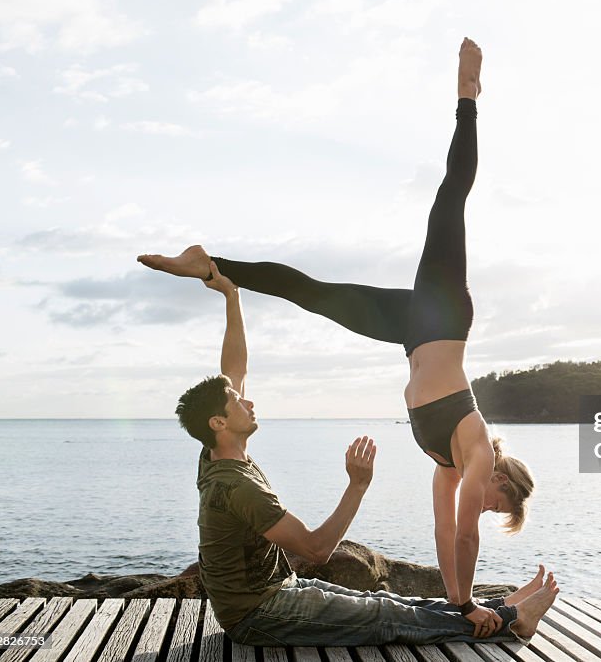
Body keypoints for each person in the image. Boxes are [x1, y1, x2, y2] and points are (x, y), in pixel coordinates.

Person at [140, 37, 534, 634]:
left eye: (491, 509)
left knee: (315, 295)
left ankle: (212, 265)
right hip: (444, 315)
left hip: (411, 332)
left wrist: (462, 603)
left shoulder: (444, 457)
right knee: (448, 202)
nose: (485, 505)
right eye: (497, 504)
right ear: (502, 481)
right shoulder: (477, 451)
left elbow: (440, 531)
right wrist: (467, 605)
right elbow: (462, 531)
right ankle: (467, 96)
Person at [174, 261, 557, 647]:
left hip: (273, 594)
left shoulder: (218, 453)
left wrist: (231, 295)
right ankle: (512, 620)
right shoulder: (236, 486)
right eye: (237, 402)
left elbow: (233, 368)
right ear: (219, 423)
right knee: (384, 618)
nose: (248, 401)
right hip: (259, 615)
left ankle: (495, 608)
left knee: (384, 602)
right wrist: (357, 486)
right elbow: (317, 549)